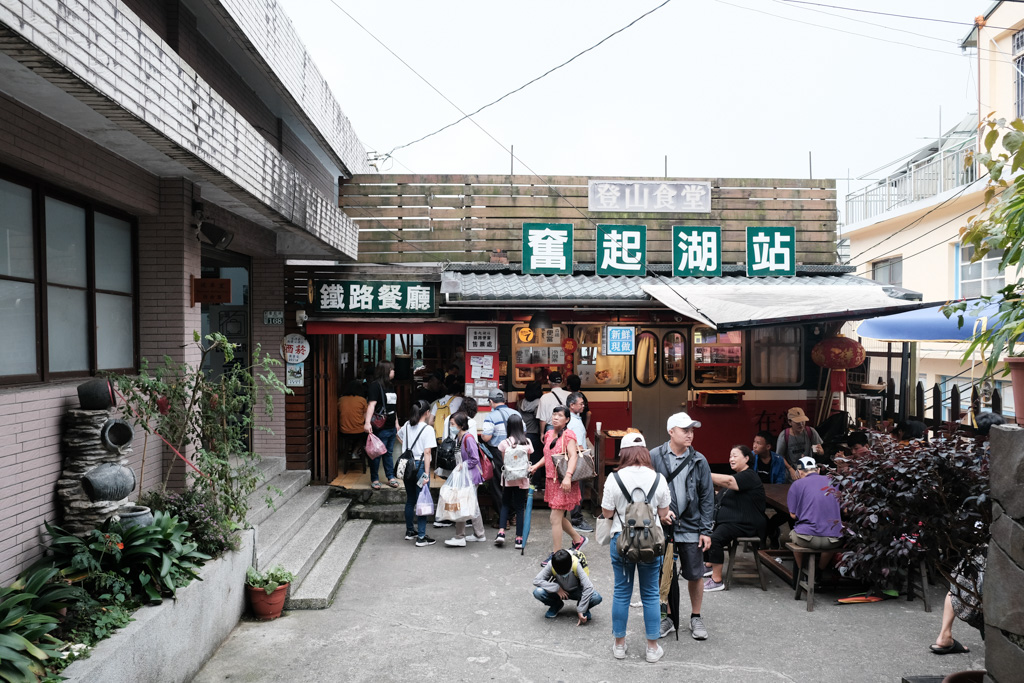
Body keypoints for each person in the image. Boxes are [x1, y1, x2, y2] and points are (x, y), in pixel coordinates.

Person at [601, 432, 672, 663]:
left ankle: (619, 645)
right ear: (644, 452)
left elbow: (607, 513)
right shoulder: (658, 478)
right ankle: (652, 649)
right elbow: (663, 513)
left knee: (622, 593)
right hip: (651, 542)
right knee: (651, 594)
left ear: (624, 452)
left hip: (621, 541)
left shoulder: (614, 478)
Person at [649, 412, 714, 640]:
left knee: (695, 574)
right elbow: (646, 490)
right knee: (664, 573)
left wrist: (706, 530)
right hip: (664, 527)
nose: (689, 434)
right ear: (671, 431)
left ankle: (696, 617)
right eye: (684, 430)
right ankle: (667, 617)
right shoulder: (654, 456)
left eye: (692, 430)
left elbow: (707, 496)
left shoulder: (699, 460)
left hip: (691, 526)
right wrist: (660, 512)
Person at [703, 446, 767, 592]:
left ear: (746, 459)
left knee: (715, 538)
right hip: (735, 521)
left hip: (748, 523)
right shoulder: (738, 477)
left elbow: (729, 482)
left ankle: (717, 580)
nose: (731, 459)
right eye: (730, 456)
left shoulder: (749, 476)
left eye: (735, 456)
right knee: (705, 529)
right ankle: (708, 565)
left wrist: (704, 474)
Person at [529, 405, 586, 565]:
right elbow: (548, 457)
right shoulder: (548, 434)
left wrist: (568, 476)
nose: (555, 418)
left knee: (554, 518)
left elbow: (573, 456)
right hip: (551, 481)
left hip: (563, 481)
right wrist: (535, 466)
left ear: (567, 419)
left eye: (559, 416)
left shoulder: (569, 435)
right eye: (554, 415)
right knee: (558, 518)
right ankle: (578, 539)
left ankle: (556, 556)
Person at [786, 456, 842, 579]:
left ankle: (801, 573)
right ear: (817, 470)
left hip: (807, 538)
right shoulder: (833, 481)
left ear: (800, 473)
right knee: (828, 539)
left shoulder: (797, 484)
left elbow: (793, 515)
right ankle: (819, 571)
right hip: (833, 540)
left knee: (793, 534)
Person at [396, 401, 437, 547]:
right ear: (426, 413)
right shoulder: (427, 429)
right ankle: (421, 537)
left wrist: (406, 447)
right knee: (423, 501)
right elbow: (427, 452)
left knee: (410, 500)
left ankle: (409, 532)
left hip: (407, 467)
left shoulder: (407, 425)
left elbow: (398, 435)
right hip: (419, 468)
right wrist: (426, 473)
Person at [444, 412, 486, 546]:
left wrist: (463, 465)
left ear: (461, 425)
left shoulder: (468, 438)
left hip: (470, 476)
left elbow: (475, 459)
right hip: (465, 476)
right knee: (472, 505)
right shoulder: (459, 438)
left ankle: (460, 537)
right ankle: (479, 534)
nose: (451, 427)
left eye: (452, 424)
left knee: (462, 504)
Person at [532, 549, 602, 624]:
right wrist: (556, 588)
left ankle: (583, 608)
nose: (563, 576)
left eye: (565, 573)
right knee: (538, 592)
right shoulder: (552, 564)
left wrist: (581, 609)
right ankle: (556, 605)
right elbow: (536, 580)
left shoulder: (576, 564)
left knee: (596, 597)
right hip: (560, 591)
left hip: (577, 590)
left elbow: (588, 587)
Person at [495, 413, 534, 549]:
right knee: (519, 508)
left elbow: (505, 461)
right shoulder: (527, 442)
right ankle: (519, 538)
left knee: (505, 504)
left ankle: (501, 533)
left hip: (509, 479)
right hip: (522, 479)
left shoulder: (504, 443)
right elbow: (528, 461)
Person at [364, 361, 399, 490]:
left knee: (388, 453)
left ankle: (390, 477)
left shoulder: (390, 385)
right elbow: (371, 405)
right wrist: (367, 423)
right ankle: (375, 478)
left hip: (390, 425)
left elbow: (393, 407)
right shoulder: (375, 386)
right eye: (392, 369)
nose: (393, 372)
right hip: (381, 426)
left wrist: (396, 423)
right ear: (386, 371)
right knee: (377, 453)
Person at [753, 430, 788, 548]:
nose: (754, 445)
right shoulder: (751, 458)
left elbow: (780, 482)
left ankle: (771, 530)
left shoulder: (778, 459)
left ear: (768, 446)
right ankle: (769, 535)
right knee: (757, 514)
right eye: (754, 442)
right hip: (756, 495)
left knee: (787, 513)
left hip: (774, 495)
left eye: (758, 443)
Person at [566, 391, 594, 533]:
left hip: (577, 458)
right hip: (577, 459)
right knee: (577, 491)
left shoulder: (574, 419)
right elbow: (575, 444)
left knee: (577, 490)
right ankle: (576, 519)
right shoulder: (573, 422)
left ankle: (575, 517)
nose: (583, 406)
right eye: (581, 404)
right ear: (572, 405)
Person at [776, 407, 823, 477]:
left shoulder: (811, 432)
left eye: (803, 421)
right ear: (790, 422)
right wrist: (790, 468)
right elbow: (780, 456)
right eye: (797, 422)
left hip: (809, 472)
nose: (801, 424)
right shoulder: (784, 435)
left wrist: (820, 451)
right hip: (792, 474)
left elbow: (820, 451)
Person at [517, 381, 544, 489]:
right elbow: (540, 420)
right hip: (534, 434)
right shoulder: (539, 403)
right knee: (536, 459)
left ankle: (524, 482)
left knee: (524, 459)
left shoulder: (520, 403)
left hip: (522, 434)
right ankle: (535, 482)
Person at [337, 380, 368, 469]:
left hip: (344, 431)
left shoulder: (341, 400)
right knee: (366, 435)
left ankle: (352, 451)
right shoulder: (362, 400)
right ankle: (355, 451)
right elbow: (366, 419)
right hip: (359, 431)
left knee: (352, 437)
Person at [429, 375, 463, 441]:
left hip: (440, 437)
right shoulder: (459, 399)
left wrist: (441, 423)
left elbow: (430, 422)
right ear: (458, 393)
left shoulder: (438, 403)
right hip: (454, 437)